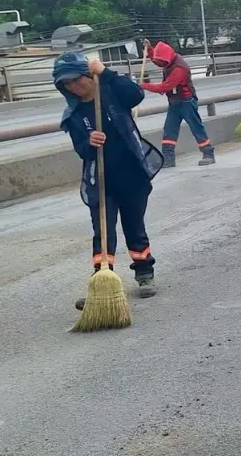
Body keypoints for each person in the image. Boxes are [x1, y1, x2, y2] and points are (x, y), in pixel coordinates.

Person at [52, 52, 164, 310]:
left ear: (90, 75)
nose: (72, 87)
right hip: (101, 181)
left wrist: (106, 71)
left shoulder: (113, 95)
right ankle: (102, 280)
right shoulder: (75, 114)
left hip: (132, 176)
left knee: (134, 226)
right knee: (102, 232)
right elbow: (81, 149)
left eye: (75, 80)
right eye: (66, 84)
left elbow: (136, 94)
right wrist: (89, 143)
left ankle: (144, 273)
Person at [140, 39, 215, 167]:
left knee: (196, 127)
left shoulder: (179, 69)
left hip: (186, 102)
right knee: (169, 129)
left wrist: (144, 86)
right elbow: (158, 60)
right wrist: (150, 49)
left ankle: (208, 154)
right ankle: (168, 158)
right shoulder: (169, 61)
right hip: (174, 102)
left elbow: (164, 87)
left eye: (162, 62)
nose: (160, 64)